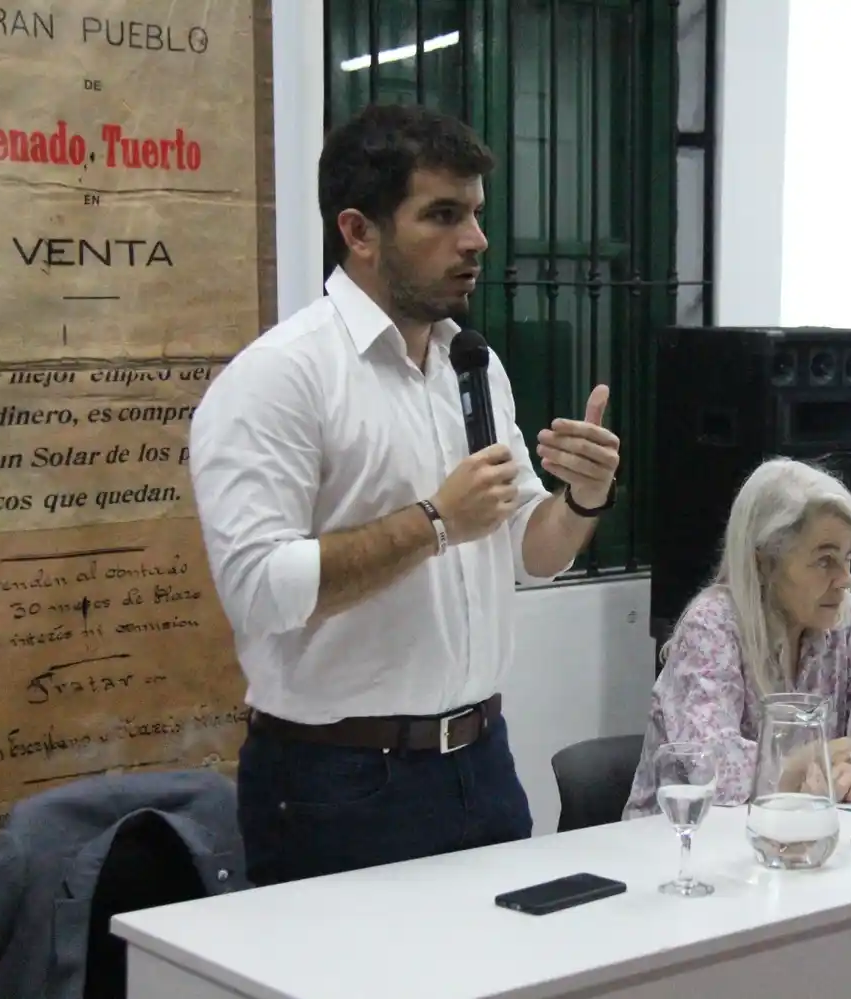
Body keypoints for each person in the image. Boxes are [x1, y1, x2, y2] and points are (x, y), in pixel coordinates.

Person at [189, 103, 621, 885]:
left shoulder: (473, 365)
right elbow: (256, 591)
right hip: (338, 782)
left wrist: (581, 499)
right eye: (443, 215)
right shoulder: (280, 377)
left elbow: (530, 550)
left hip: (483, 760)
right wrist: (435, 522)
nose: (476, 240)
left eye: (477, 214)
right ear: (359, 232)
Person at [624, 458, 851, 820]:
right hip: (678, 839)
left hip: (793, 830)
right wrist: (842, 751)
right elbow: (717, 771)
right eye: (825, 560)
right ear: (765, 561)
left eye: (847, 557)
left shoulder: (842, 616)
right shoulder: (710, 625)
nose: (846, 579)